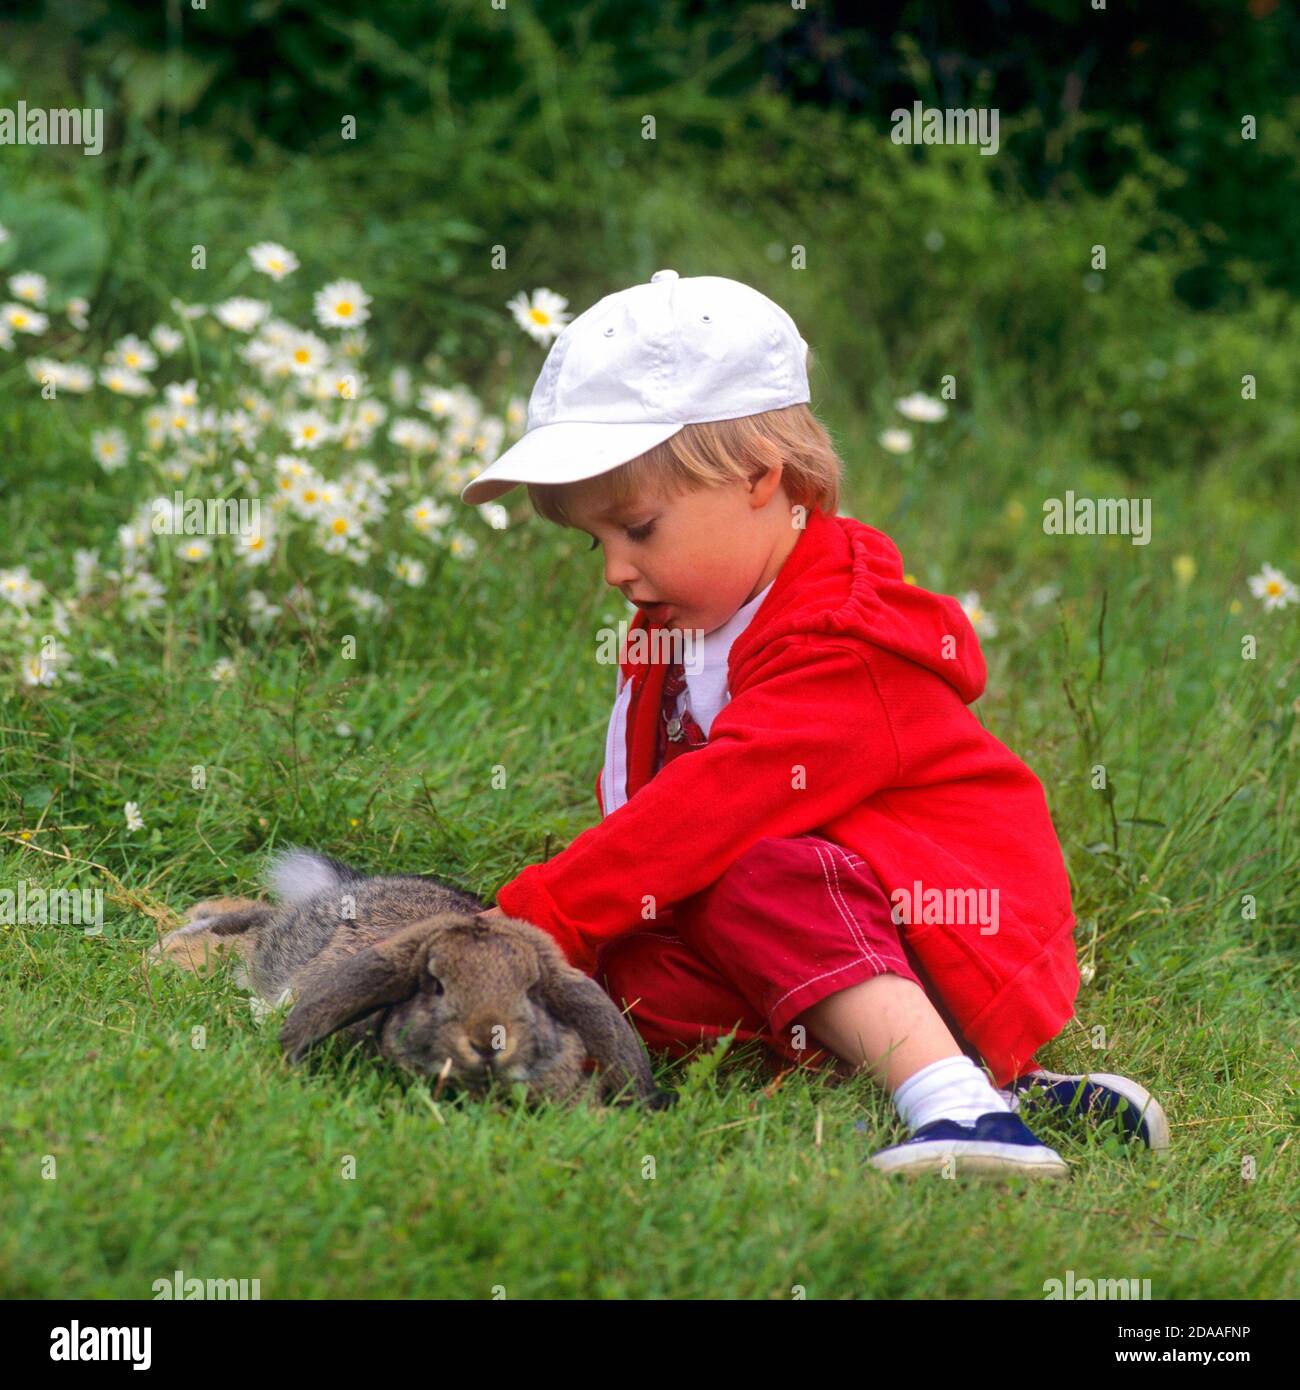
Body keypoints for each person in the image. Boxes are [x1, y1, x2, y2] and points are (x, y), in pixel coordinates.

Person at [460, 269, 1168, 1176]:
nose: (614, 570)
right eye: (594, 541)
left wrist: (532, 919)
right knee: (631, 975)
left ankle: (958, 1106)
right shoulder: (688, 623)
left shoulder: (845, 641)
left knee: (747, 866)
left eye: (637, 528)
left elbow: (711, 809)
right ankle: (999, 1088)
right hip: (814, 928)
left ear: (762, 479)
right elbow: (646, 822)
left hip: (947, 934)